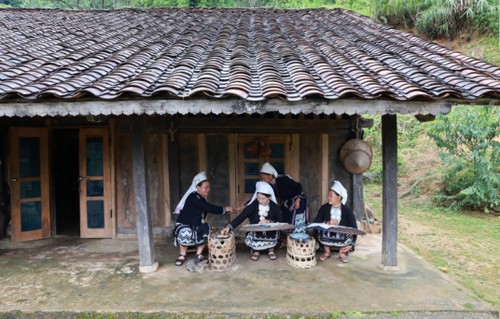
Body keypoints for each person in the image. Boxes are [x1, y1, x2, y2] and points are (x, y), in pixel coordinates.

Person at [173, 172, 232, 266]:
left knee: (206, 228)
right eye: (206, 187)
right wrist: (224, 209)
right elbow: (208, 207)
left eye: (209, 187)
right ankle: (182, 254)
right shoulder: (193, 196)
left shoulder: (201, 198)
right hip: (185, 224)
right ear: (197, 187)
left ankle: (198, 253)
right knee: (185, 232)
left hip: (196, 225)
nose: (208, 190)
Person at [221, 181, 282, 261]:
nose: (260, 200)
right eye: (258, 198)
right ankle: (256, 250)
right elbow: (241, 217)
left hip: (270, 234)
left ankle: (271, 249)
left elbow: (280, 221)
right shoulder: (252, 206)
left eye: (263, 198)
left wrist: (269, 222)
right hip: (255, 233)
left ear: (269, 197)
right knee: (254, 232)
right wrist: (229, 227)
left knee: (274, 230)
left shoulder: (275, 207)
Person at [314, 180, 357, 263]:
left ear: (339, 197)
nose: (328, 198)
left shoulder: (347, 210)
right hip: (327, 237)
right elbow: (316, 222)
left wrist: (351, 244)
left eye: (331, 196)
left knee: (348, 231)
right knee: (320, 230)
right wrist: (327, 223)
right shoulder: (324, 208)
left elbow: (354, 228)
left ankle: (342, 253)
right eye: (328, 196)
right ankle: (327, 252)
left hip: (342, 238)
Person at [259, 162, 308, 234]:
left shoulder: (283, 179)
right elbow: (262, 195)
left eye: (264, 178)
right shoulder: (270, 185)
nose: (263, 180)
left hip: (297, 199)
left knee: (296, 220)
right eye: (262, 178)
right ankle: (287, 237)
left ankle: (298, 237)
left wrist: (298, 199)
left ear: (271, 176)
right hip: (287, 202)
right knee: (285, 218)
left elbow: (298, 186)